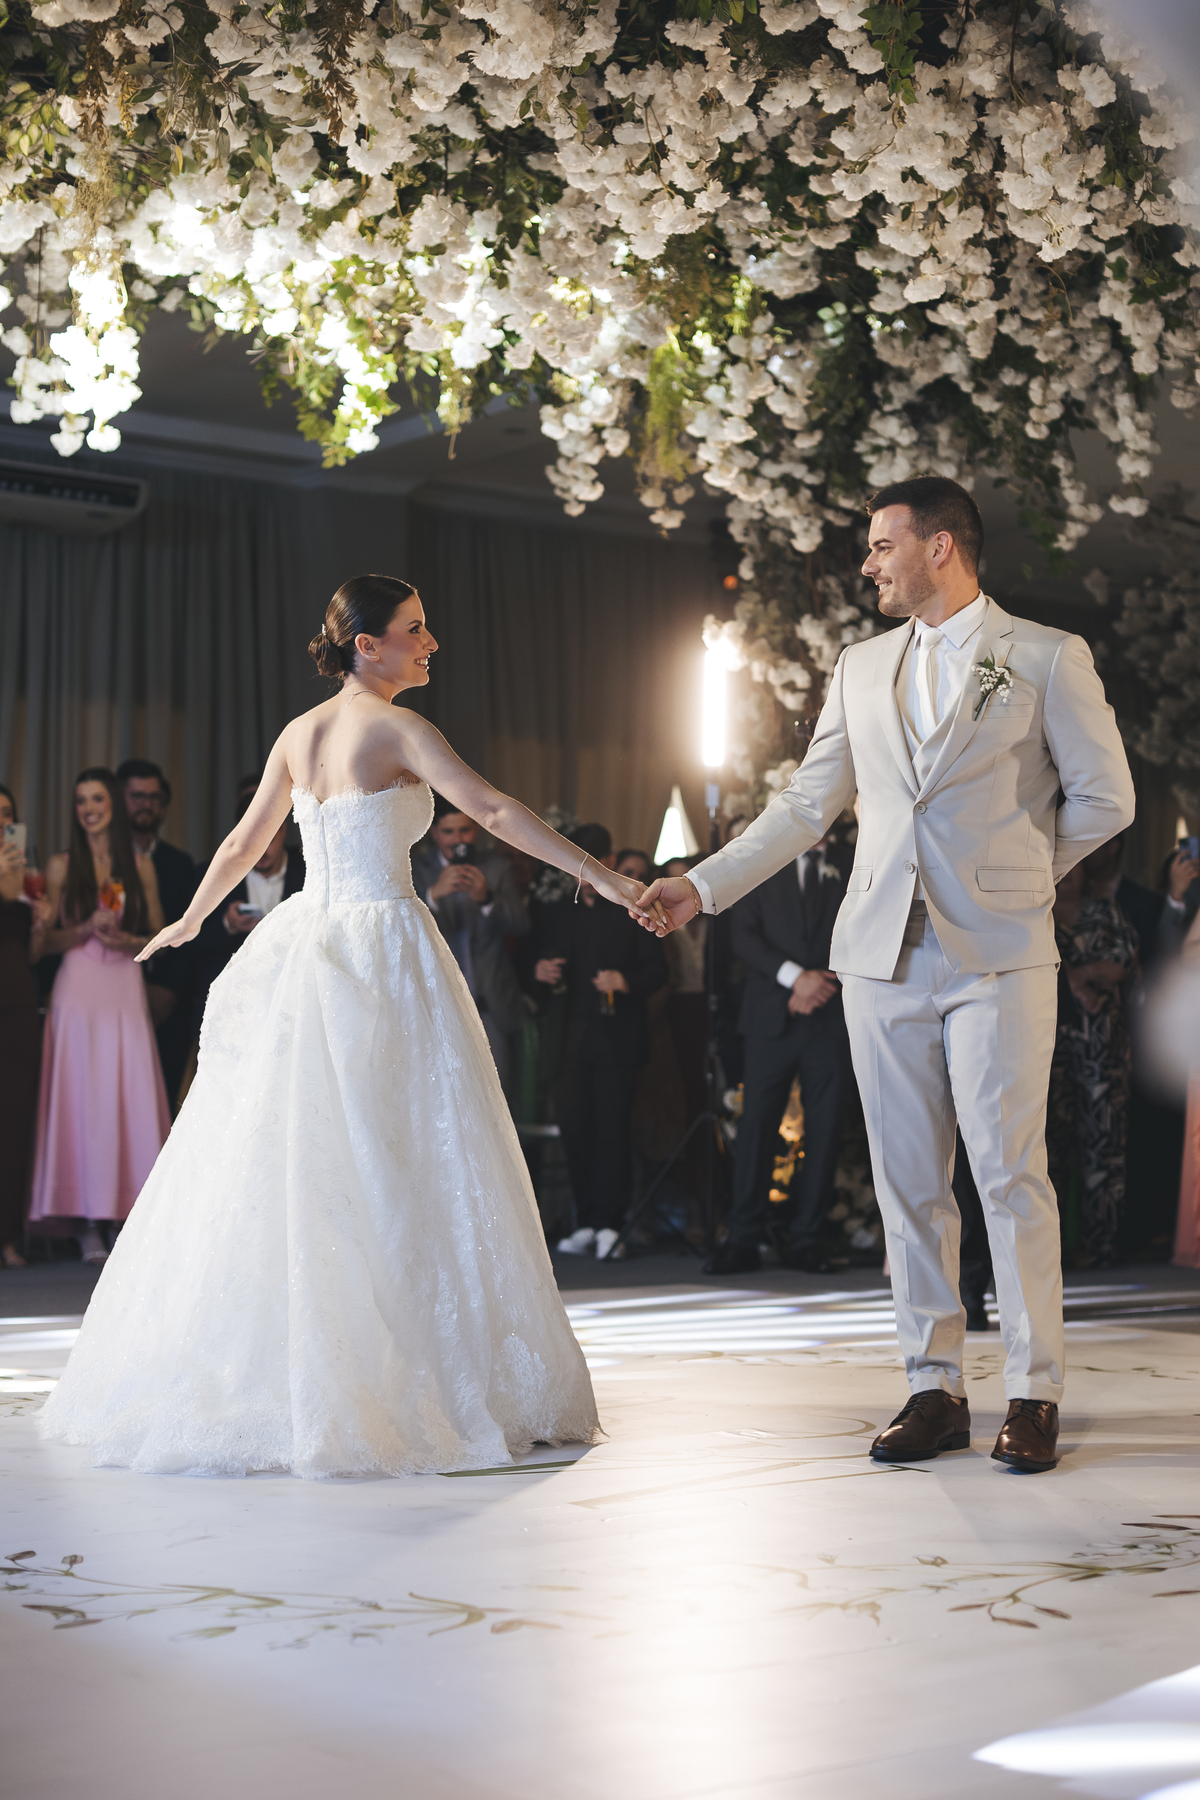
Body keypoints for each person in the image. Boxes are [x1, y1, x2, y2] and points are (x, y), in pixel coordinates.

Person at [41, 575, 658, 1478]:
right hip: (383, 948)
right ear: (367, 644)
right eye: (415, 629)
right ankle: (399, 1374)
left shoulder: (299, 733)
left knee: (309, 1152)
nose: (431, 642)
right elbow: (492, 811)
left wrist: (189, 919)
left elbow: (241, 843)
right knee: (401, 1151)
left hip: (307, 942)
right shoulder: (402, 730)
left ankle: (314, 1366)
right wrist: (603, 876)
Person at [635, 475, 1135, 1474]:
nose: (868, 565)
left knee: (1009, 1173)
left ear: (940, 546)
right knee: (908, 1181)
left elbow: (1106, 797)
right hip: (879, 956)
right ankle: (933, 1386)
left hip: (998, 953)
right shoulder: (861, 666)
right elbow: (804, 805)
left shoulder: (1045, 656)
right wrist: (702, 885)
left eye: (881, 546)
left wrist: (1015, 875)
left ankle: (1032, 1392)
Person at [28, 768, 170, 1264]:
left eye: (97, 799)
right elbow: (42, 945)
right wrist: (85, 928)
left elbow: (158, 937)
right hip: (78, 989)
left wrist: (128, 940)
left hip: (123, 985)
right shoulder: (60, 866)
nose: (88, 809)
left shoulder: (140, 866)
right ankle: (88, 1221)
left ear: (113, 804)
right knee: (83, 1099)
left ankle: (124, 1216)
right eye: (81, 801)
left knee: (125, 1094)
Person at [707, 834, 854, 1276]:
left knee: (825, 1128)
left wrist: (822, 982)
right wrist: (795, 979)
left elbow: (867, 923)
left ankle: (809, 1239)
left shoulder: (853, 858)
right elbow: (742, 934)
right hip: (770, 1016)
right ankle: (743, 1237)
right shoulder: (765, 860)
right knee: (756, 1126)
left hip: (831, 1012)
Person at [536, 845, 668, 1262]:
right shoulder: (557, 912)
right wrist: (538, 972)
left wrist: (624, 981)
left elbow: (659, 970)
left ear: (606, 864)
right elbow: (526, 964)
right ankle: (586, 1222)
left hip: (616, 1040)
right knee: (576, 1132)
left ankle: (611, 1223)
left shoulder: (629, 909)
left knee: (613, 1132)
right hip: (567, 1042)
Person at [1046, 861, 1139, 1267]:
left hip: (1102, 1049)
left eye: (1074, 867)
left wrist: (1077, 975)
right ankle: (1048, 1249)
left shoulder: (1106, 910)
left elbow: (1125, 959)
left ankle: (1100, 1246)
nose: (1067, 874)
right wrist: (1074, 983)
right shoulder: (1036, 912)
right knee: (1047, 1147)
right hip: (1047, 1048)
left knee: (1104, 1147)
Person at [411, 796, 529, 1093]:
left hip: (491, 1005)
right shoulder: (415, 868)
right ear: (434, 832)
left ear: (475, 829)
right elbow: (404, 932)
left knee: (497, 1094)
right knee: (445, 1093)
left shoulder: (497, 868)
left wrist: (488, 899)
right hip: (438, 1003)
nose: (457, 840)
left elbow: (521, 924)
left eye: (464, 830)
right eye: (448, 832)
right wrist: (432, 896)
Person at [116, 759, 198, 1111]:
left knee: (162, 1101)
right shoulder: (101, 859)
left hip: (168, 1002)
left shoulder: (180, 864)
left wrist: (167, 990)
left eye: (154, 797)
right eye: (137, 796)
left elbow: (190, 933)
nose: (146, 804)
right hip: (115, 995)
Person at [192, 787, 306, 1021]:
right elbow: (192, 947)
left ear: (283, 829)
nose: (261, 849)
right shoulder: (213, 874)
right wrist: (227, 924)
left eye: (269, 838)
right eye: (252, 840)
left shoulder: (308, 870)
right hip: (233, 1003)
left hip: (293, 997)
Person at [0, 783, 47, 1269]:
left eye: (7, 813)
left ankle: (8, 1236)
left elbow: (33, 956)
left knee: (13, 1121)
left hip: (16, 1003)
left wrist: (39, 925)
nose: (1, 821)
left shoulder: (23, 870)